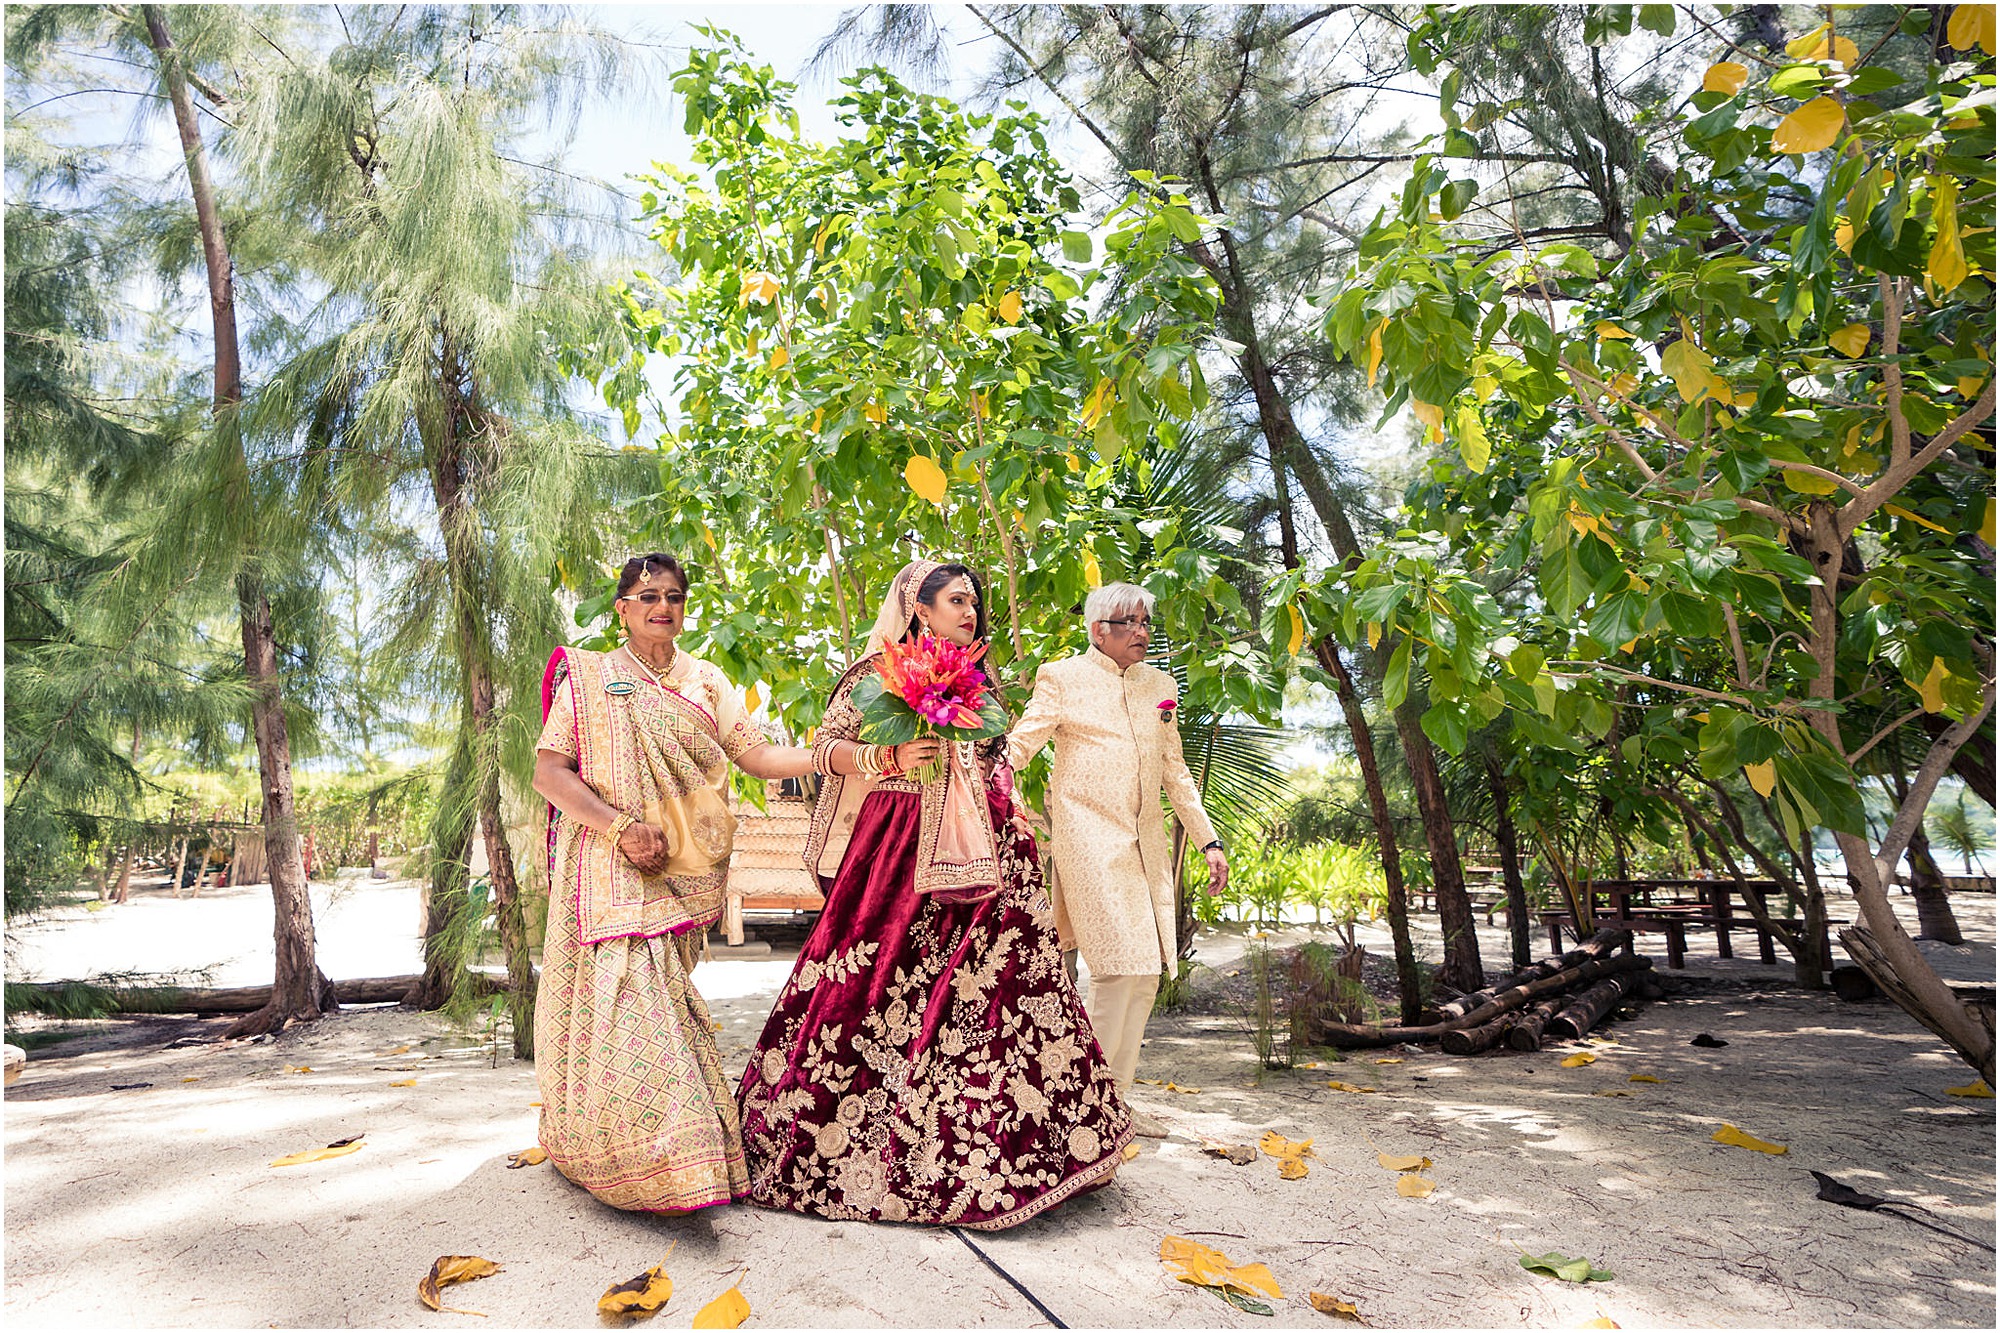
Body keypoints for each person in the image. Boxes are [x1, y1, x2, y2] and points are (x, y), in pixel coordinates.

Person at [737, 559, 1132, 1230]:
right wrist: (886, 760)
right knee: (878, 989)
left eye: (974, 601)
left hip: (988, 856)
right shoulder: (874, 675)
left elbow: (992, 762)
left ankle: (1010, 1152)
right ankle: (868, 1142)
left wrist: (1016, 831)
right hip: (898, 856)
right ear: (919, 609)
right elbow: (829, 746)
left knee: (994, 994)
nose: (970, 611)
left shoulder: (976, 682)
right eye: (956, 600)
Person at [530, 552, 812, 1213]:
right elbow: (550, 773)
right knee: (632, 1004)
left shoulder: (708, 682)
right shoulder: (593, 680)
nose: (663, 605)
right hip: (607, 863)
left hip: (683, 860)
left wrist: (839, 751)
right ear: (621, 608)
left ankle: (670, 1154)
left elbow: (757, 756)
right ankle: (651, 1160)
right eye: (647, 594)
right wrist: (619, 826)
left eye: (675, 596)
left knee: (666, 998)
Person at [1005, 582, 1229, 1137]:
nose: (1142, 633)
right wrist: (990, 792)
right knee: (1117, 966)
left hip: (1145, 844)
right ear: (1097, 630)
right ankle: (1091, 1112)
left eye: (1146, 623)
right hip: (1086, 841)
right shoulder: (1063, 677)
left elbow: (1175, 772)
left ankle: (1114, 1102)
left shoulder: (1160, 685)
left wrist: (1208, 841)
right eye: (1129, 623)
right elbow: (1018, 747)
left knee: (1147, 972)